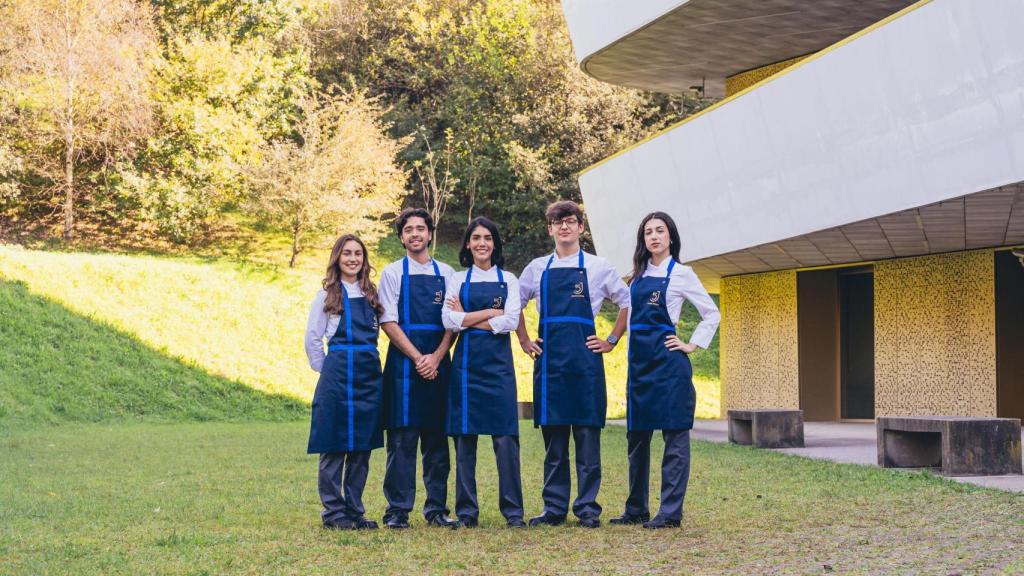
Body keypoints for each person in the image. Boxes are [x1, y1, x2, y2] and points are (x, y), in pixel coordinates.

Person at [516, 200, 631, 529]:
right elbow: (516, 304)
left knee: (586, 438)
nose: (564, 227)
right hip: (550, 364)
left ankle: (587, 509)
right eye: (557, 222)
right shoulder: (537, 268)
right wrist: (524, 340)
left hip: (585, 364)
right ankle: (553, 508)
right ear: (550, 229)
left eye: (570, 221)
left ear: (581, 228)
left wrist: (611, 340)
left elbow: (627, 301)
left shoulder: (599, 267)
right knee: (554, 443)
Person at [611, 211, 720, 529]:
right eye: (648, 232)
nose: (654, 236)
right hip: (639, 369)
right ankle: (636, 509)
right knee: (637, 440)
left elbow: (711, 314)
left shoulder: (683, 274)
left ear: (671, 236)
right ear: (643, 240)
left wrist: (691, 345)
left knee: (674, 438)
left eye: (660, 231)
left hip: (670, 368)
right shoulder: (636, 278)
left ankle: (670, 512)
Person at [442, 217, 526, 529]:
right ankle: (467, 513)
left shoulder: (510, 279)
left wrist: (467, 316)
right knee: (465, 441)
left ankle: (513, 512)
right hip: (466, 370)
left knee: (506, 440)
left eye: (487, 238)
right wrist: (492, 312)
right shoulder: (458, 279)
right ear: (467, 243)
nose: (481, 243)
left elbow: (512, 320)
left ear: (495, 244)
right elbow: (448, 321)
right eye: (476, 237)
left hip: (499, 370)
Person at [378, 207, 459, 529]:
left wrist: (436, 357)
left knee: (437, 442)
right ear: (402, 237)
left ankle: (437, 510)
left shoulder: (449, 274)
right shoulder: (392, 273)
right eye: (408, 230)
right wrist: (418, 358)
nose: (415, 234)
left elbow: (454, 321)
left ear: (429, 234)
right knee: (402, 441)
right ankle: (397, 510)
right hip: (403, 366)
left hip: (439, 365)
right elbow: (388, 320)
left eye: (420, 229)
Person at [305, 234, 385, 530]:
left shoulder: (372, 295)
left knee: (361, 447)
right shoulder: (326, 296)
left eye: (358, 254)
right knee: (334, 444)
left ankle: (355, 510)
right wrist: (329, 371)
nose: (353, 259)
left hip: (367, 376)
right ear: (337, 258)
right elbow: (313, 340)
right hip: (337, 376)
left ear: (364, 260)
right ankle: (334, 512)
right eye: (347, 253)